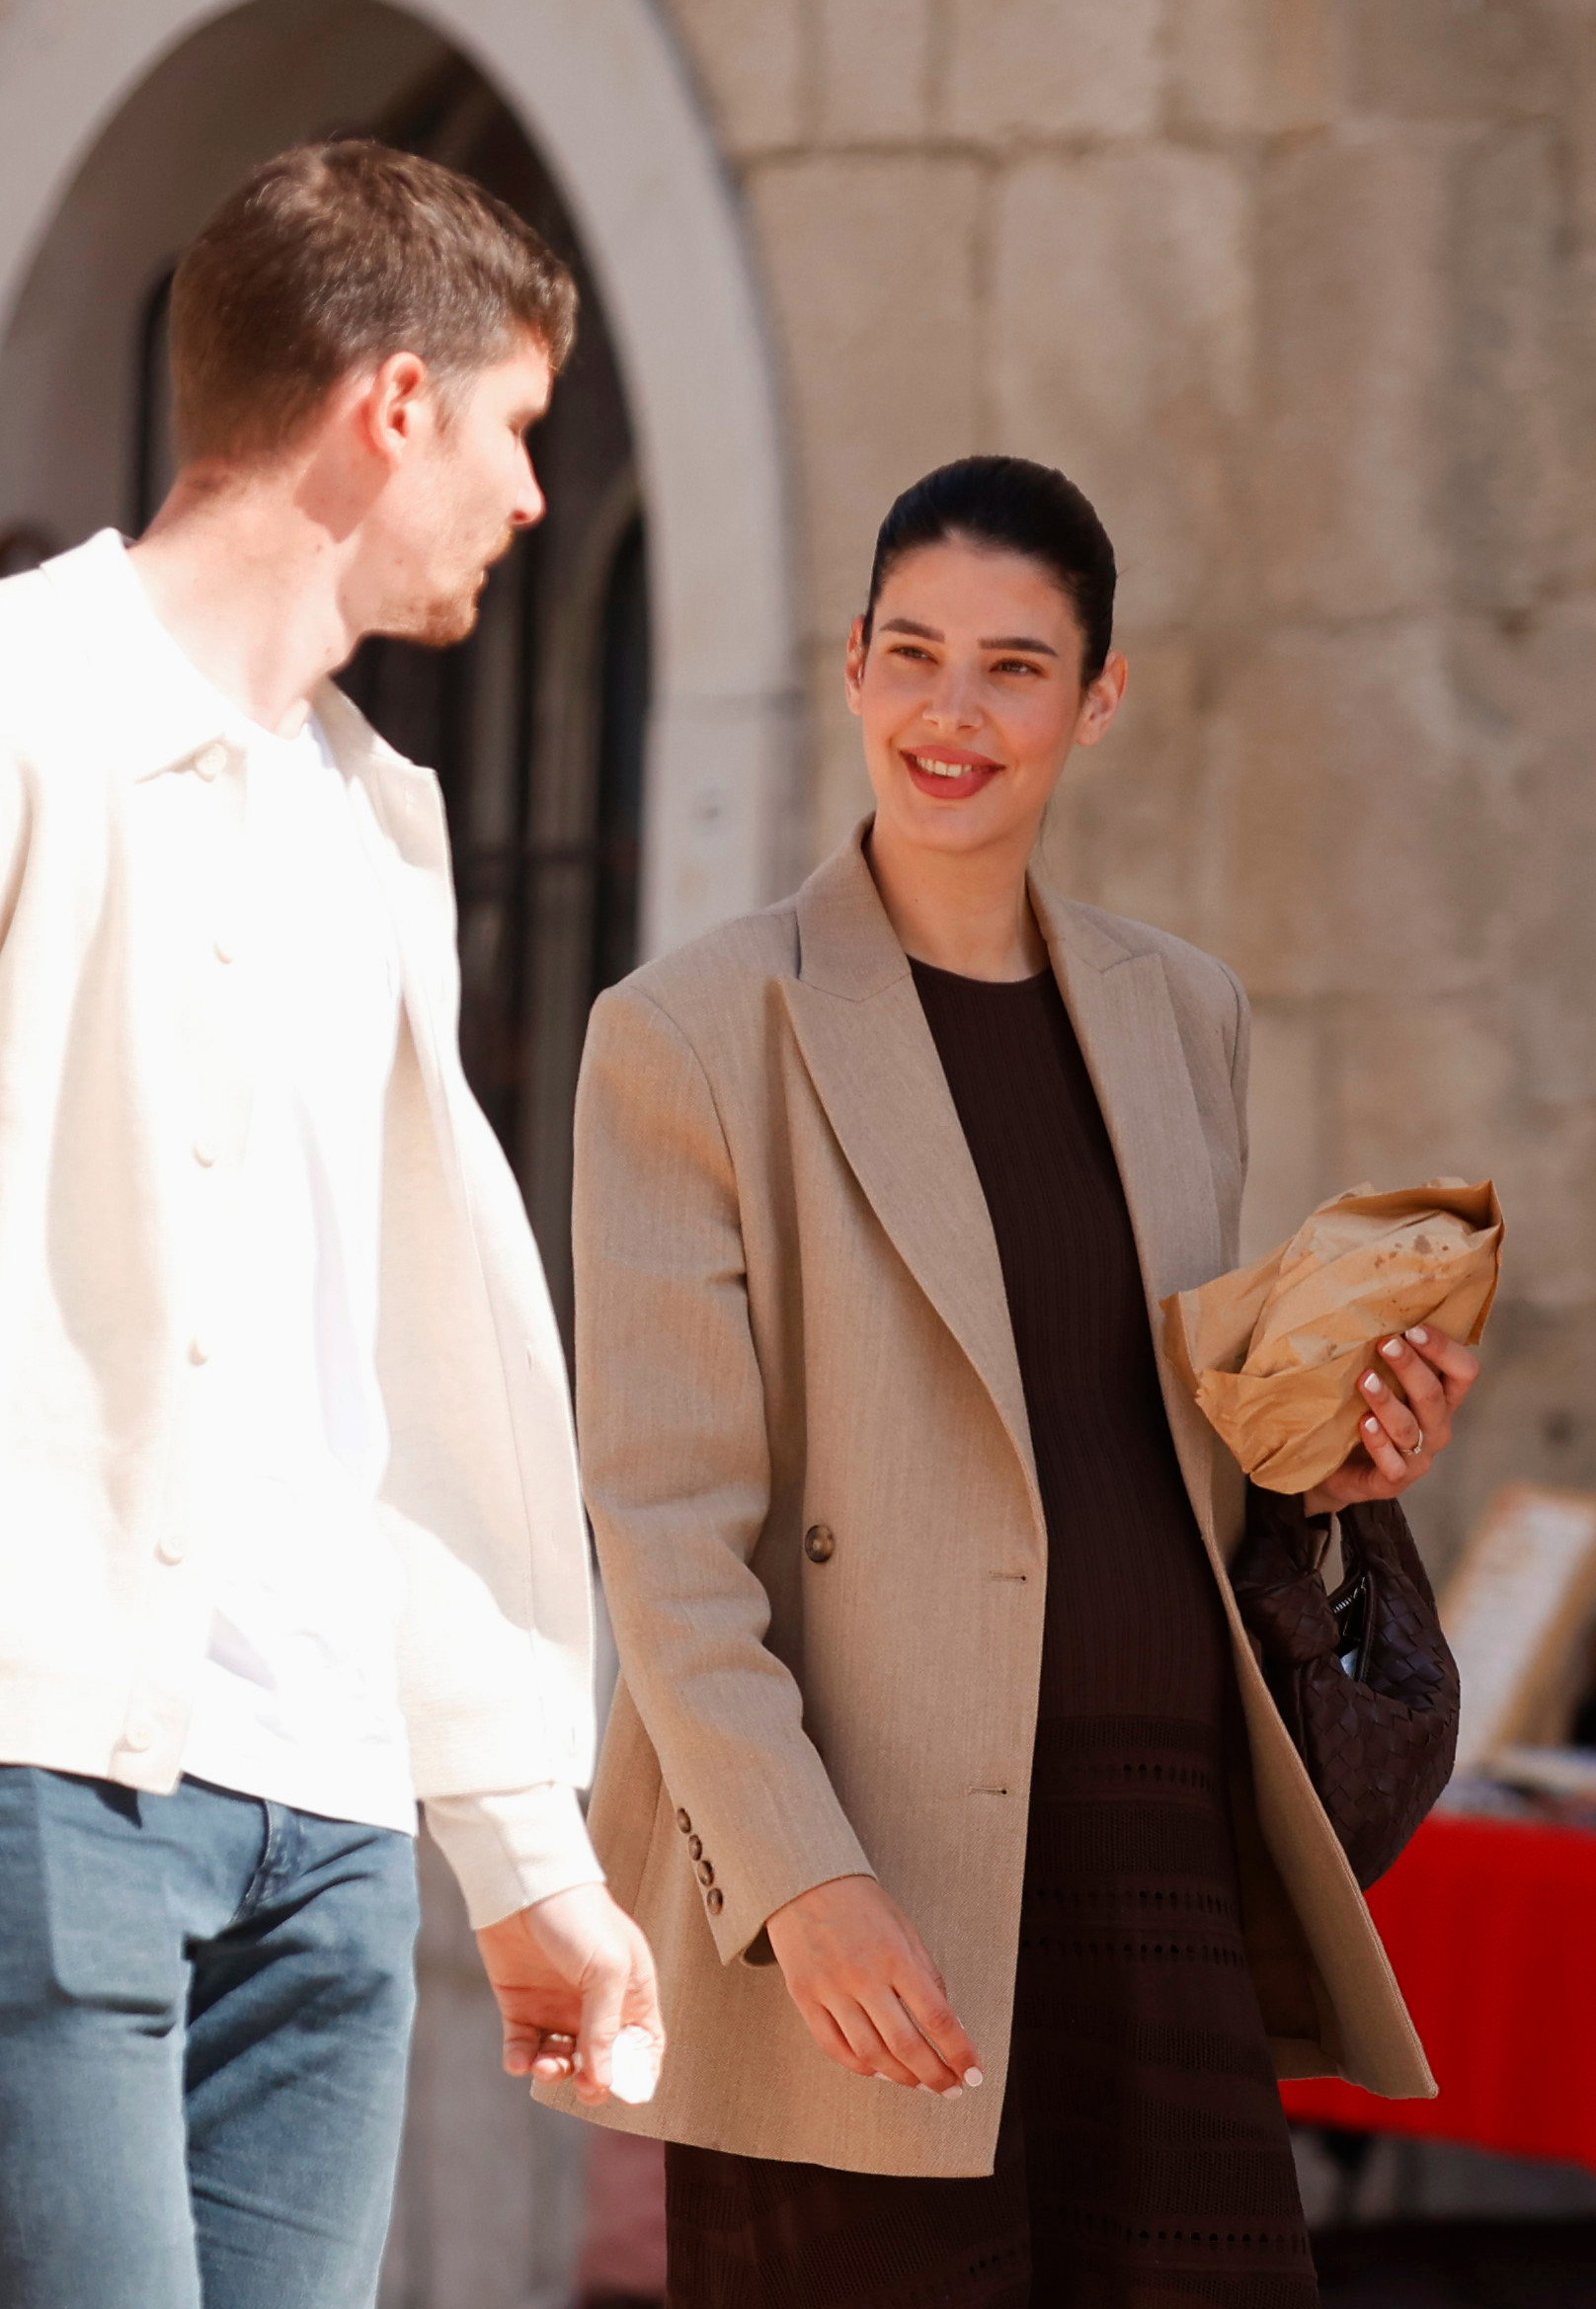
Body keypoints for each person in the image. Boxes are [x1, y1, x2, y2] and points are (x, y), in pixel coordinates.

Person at [549, 456, 1478, 2307]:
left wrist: (1334, 1464)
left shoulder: (1181, 1011)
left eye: (1012, 668)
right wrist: (801, 1880)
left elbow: (1150, 1441)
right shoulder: (688, 1032)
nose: (950, 715)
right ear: (852, 668)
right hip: (871, 1863)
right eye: (913, 655)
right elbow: (660, 1526)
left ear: (1100, 697)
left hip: (1151, 1853)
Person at [0, 141, 661, 2309]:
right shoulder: (24, 712)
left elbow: (379, 1373)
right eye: (516, 431)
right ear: (395, 404)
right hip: (45, 1783)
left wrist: (523, 1850)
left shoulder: (380, 824)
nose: (534, 499)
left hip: (331, 1838)